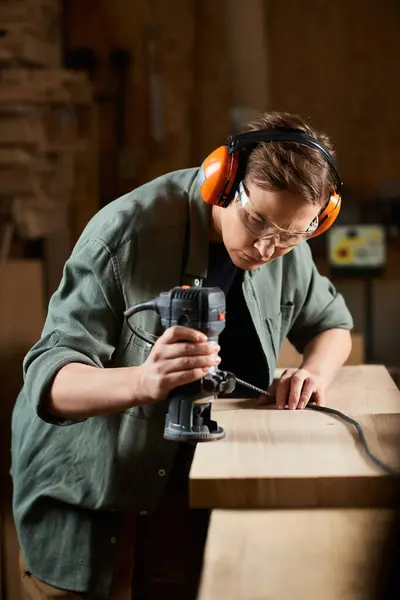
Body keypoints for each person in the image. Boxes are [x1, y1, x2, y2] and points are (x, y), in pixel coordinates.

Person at [11, 111, 353, 600]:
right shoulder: (126, 233)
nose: (265, 246)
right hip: (93, 494)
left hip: (188, 487)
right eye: (256, 220)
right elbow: (48, 379)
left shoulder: (283, 233)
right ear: (222, 180)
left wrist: (313, 373)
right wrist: (144, 382)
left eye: (291, 234)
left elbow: (333, 324)